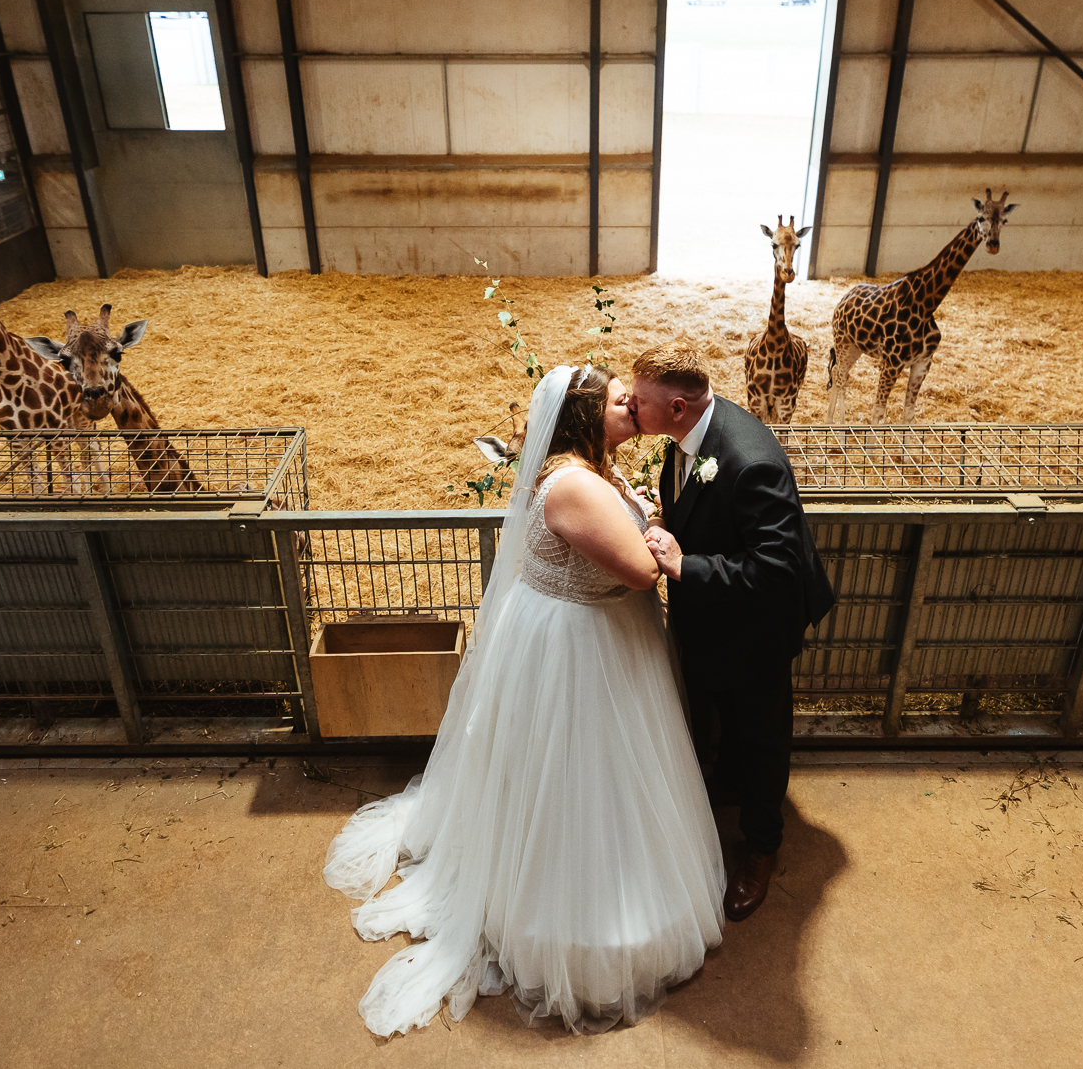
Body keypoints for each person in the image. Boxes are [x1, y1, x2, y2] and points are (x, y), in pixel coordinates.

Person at [323, 365, 725, 1037]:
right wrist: (666, 547)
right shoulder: (570, 485)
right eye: (621, 400)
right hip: (575, 649)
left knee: (614, 780)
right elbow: (637, 568)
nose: (634, 403)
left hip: (603, 632)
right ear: (585, 419)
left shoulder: (598, 466)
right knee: (573, 777)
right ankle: (560, 920)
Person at [629, 342, 835, 923]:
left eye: (638, 402)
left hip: (758, 628)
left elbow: (776, 571)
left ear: (674, 407)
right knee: (720, 716)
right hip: (715, 616)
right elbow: (699, 508)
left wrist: (682, 564)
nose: (628, 406)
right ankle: (724, 785)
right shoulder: (686, 436)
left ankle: (762, 847)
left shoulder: (750, 460)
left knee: (762, 735)